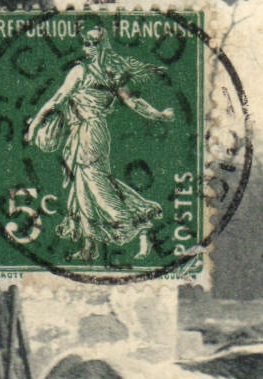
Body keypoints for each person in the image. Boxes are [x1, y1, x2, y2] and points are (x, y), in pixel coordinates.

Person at [24, 25, 173, 262]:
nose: (89, 48)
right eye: (86, 43)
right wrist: (159, 115)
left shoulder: (92, 72)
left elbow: (132, 101)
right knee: (83, 187)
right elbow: (60, 99)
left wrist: (159, 115)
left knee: (96, 186)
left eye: (94, 43)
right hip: (83, 132)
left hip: (90, 132)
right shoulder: (98, 71)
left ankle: (135, 226)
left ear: (103, 45)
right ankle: (90, 244)